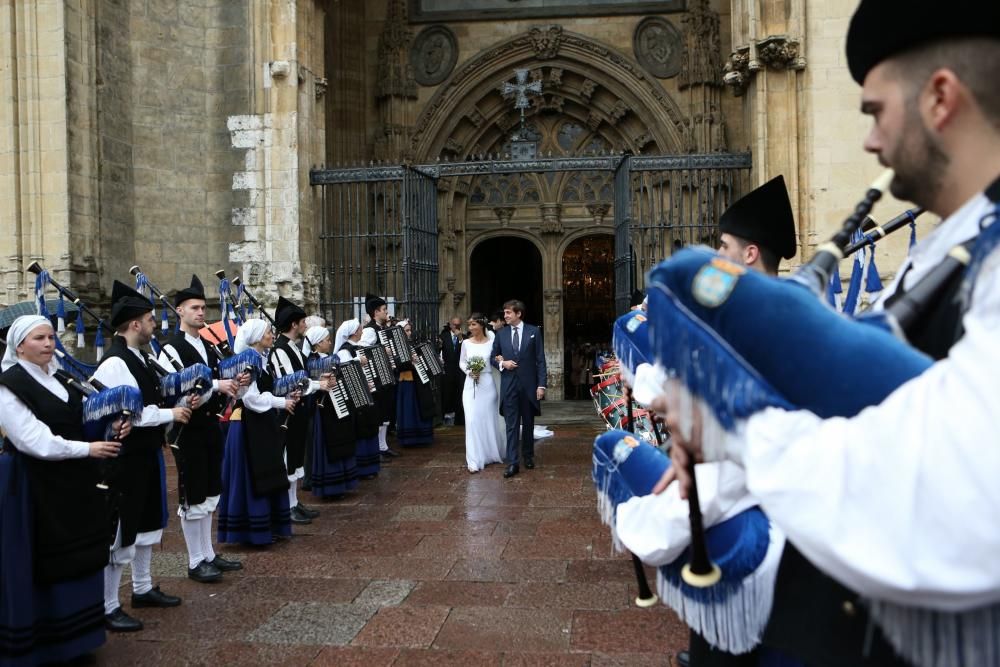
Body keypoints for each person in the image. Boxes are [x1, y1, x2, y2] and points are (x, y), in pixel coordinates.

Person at [663, 3, 1000, 665]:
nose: (870, 142)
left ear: (939, 98)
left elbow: (955, 505)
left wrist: (733, 426)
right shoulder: (949, 251)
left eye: (875, 111)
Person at [0, 315, 122, 664]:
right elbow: (32, 440)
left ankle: (77, 640)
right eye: (39, 338)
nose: (48, 343)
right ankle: (44, 645)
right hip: (31, 482)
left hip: (70, 481)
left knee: (77, 552)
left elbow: (82, 417)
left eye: (51, 337)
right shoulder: (9, 385)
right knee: (42, 557)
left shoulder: (61, 379)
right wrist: (88, 450)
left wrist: (112, 424)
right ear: (19, 345)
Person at [94, 281, 190, 632]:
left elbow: (155, 395)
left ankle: (142, 587)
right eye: (150, 319)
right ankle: (107, 605)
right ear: (134, 324)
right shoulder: (115, 363)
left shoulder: (141, 357)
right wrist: (171, 415)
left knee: (148, 522)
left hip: (146, 452)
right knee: (121, 530)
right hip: (124, 460)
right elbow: (131, 412)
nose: (154, 324)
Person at [158, 275, 245, 584]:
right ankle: (194, 560)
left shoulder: (208, 345)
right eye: (193, 308)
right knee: (192, 494)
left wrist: (232, 386)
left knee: (210, 490)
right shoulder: (171, 350)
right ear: (179, 311)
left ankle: (208, 553)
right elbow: (171, 391)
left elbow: (216, 382)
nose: (200, 313)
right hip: (188, 429)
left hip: (210, 425)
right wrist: (215, 385)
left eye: (202, 307)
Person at [216, 320, 294, 546]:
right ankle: (253, 530)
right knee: (253, 474)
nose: (272, 334)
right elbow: (250, 399)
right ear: (258, 337)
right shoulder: (248, 361)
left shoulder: (261, 359)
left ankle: (269, 524)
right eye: (268, 332)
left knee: (268, 469)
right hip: (249, 425)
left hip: (262, 421)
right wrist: (281, 402)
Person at [270, 296, 325, 525]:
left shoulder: (292, 347)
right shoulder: (280, 350)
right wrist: (316, 385)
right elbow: (290, 382)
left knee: (295, 458)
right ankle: (287, 505)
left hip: (300, 409)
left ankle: (294, 502)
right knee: (288, 459)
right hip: (288, 412)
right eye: (302, 322)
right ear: (294, 324)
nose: (305, 326)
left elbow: (304, 373)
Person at [491, 299, 547, 479]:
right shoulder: (501, 334)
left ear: (518, 314)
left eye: (508, 313)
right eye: (505, 312)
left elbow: (540, 360)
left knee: (528, 424)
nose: (505, 316)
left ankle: (528, 456)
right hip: (509, 386)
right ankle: (513, 463)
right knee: (511, 425)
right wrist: (502, 363)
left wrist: (541, 385)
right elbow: (493, 357)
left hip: (529, 386)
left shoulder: (534, 332)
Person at [303, 324, 358, 499]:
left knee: (341, 441)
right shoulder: (313, 362)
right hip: (323, 409)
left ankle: (342, 482)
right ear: (318, 343)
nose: (330, 342)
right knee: (328, 445)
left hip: (336, 406)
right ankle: (330, 487)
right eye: (327, 339)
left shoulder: (327, 358)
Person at [334, 318, 381, 479]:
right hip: (356, 397)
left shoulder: (358, 348)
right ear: (354, 332)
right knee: (361, 429)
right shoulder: (344, 350)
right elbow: (346, 372)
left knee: (370, 425)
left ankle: (372, 465)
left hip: (366, 394)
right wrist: (357, 362)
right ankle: (362, 468)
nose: (362, 331)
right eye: (360, 329)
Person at [459, 312, 505, 473]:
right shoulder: (465, 343)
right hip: (470, 385)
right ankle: (474, 459)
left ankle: (489, 454)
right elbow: (462, 362)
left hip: (487, 384)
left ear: (481, 325)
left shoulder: (492, 342)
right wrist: (469, 371)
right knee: (471, 421)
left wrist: (501, 361)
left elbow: (496, 360)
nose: (470, 327)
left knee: (487, 421)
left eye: (473, 324)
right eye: (469, 324)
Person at [361, 295, 401, 460]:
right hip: (377, 375)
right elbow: (361, 348)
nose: (387, 312)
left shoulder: (381, 329)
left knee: (386, 410)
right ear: (376, 312)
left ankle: (383, 446)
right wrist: (381, 350)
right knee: (379, 411)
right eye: (384, 310)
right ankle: (377, 448)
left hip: (386, 373)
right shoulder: (370, 330)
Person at [394, 319, 434, 447]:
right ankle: (409, 439)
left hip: (417, 381)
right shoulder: (395, 346)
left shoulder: (411, 344)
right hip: (406, 382)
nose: (409, 333)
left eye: (410, 330)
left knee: (419, 407)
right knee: (408, 410)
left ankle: (423, 437)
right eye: (406, 330)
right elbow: (396, 366)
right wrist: (409, 361)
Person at [438, 317, 465, 426]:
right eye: (455, 325)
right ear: (450, 325)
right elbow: (438, 351)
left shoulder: (464, 338)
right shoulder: (443, 337)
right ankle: (446, 416)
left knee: (459, 394)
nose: (456, 327)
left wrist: (460, 338)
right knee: (447, 393)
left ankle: (459, 419)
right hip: (448, 370)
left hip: (460, 371)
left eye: (459, 325)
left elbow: (465, 351)